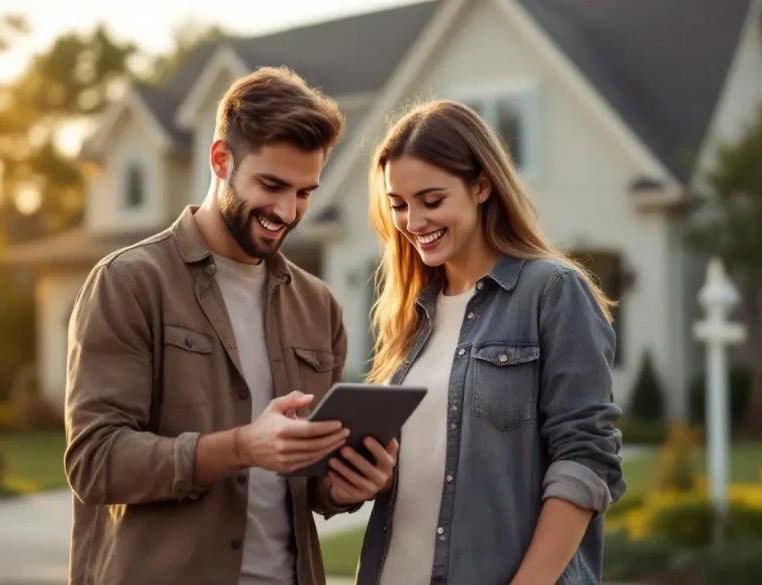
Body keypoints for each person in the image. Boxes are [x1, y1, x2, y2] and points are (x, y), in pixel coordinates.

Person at [63, 66, 398, 585]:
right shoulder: (129, 283)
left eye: (305, 192)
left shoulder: (320, 307)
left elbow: (308, 483)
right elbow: (95, 461)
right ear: (221, 159)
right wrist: (241, 447)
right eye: (272, 185)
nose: (287, 211)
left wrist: (347, 486)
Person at [352, 100, 627, 585]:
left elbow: (586, 462)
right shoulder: (410, 315)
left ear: (481, 186)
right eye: (398, 205)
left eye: (431, 200)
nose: (413, 222)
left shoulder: (552, 292)